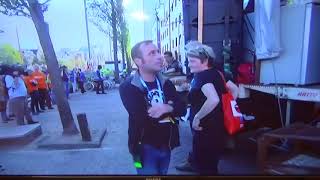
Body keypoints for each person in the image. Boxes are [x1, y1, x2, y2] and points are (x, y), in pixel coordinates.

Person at [119, 40, 186, 175]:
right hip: (141, 148)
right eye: (152, 53)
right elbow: (142, 118)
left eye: (158, 52)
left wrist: (168, 108)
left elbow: (183, 109)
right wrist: (172, 108)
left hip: (167, 145)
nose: (160, 56)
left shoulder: (166, 83)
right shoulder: (128, 87)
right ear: (139, 61)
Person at [184, 41, 227, 175]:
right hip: (216, 126)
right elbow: (232, 90)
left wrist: (197, 117)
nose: (189, 64)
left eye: (192, 61)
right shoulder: (216, 73)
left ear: (205, 61)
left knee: (204, 167)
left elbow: (213, 99)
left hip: (205, 129)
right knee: (211, 165)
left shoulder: (202, 76)